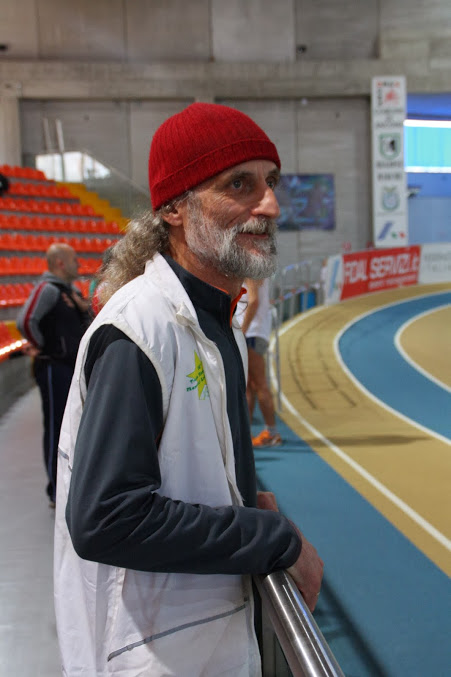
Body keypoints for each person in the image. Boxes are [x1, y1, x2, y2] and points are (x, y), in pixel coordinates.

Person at [54, 103, 323, 676]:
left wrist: (246, 501)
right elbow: (106, 518)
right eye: (239, 185)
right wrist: (270, 534)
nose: (270, 205)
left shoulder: (213, 318)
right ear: (176, 207)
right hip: (154, 654)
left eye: (270, 182)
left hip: (198, 644)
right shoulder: (142, 329)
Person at [17, 243, 92, 505]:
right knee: (56, 426)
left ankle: (69, 483)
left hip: (69, 366)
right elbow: (25, 320)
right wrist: (43, 346)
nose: (78, 264)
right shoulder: (47, 289)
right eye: (73, 259)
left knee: (71, 426)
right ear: (60, 263)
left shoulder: (69, 291)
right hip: (54, 366)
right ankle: (55, 489)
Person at [238, 277, 282, 447]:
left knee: (259, 383)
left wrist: (242, 331)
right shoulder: (252, 263)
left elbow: (254, 301)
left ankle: (272, 432)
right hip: (253, 331)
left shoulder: (251, 267)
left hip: (252, 333)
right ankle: (245, 433)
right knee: (249, 385)